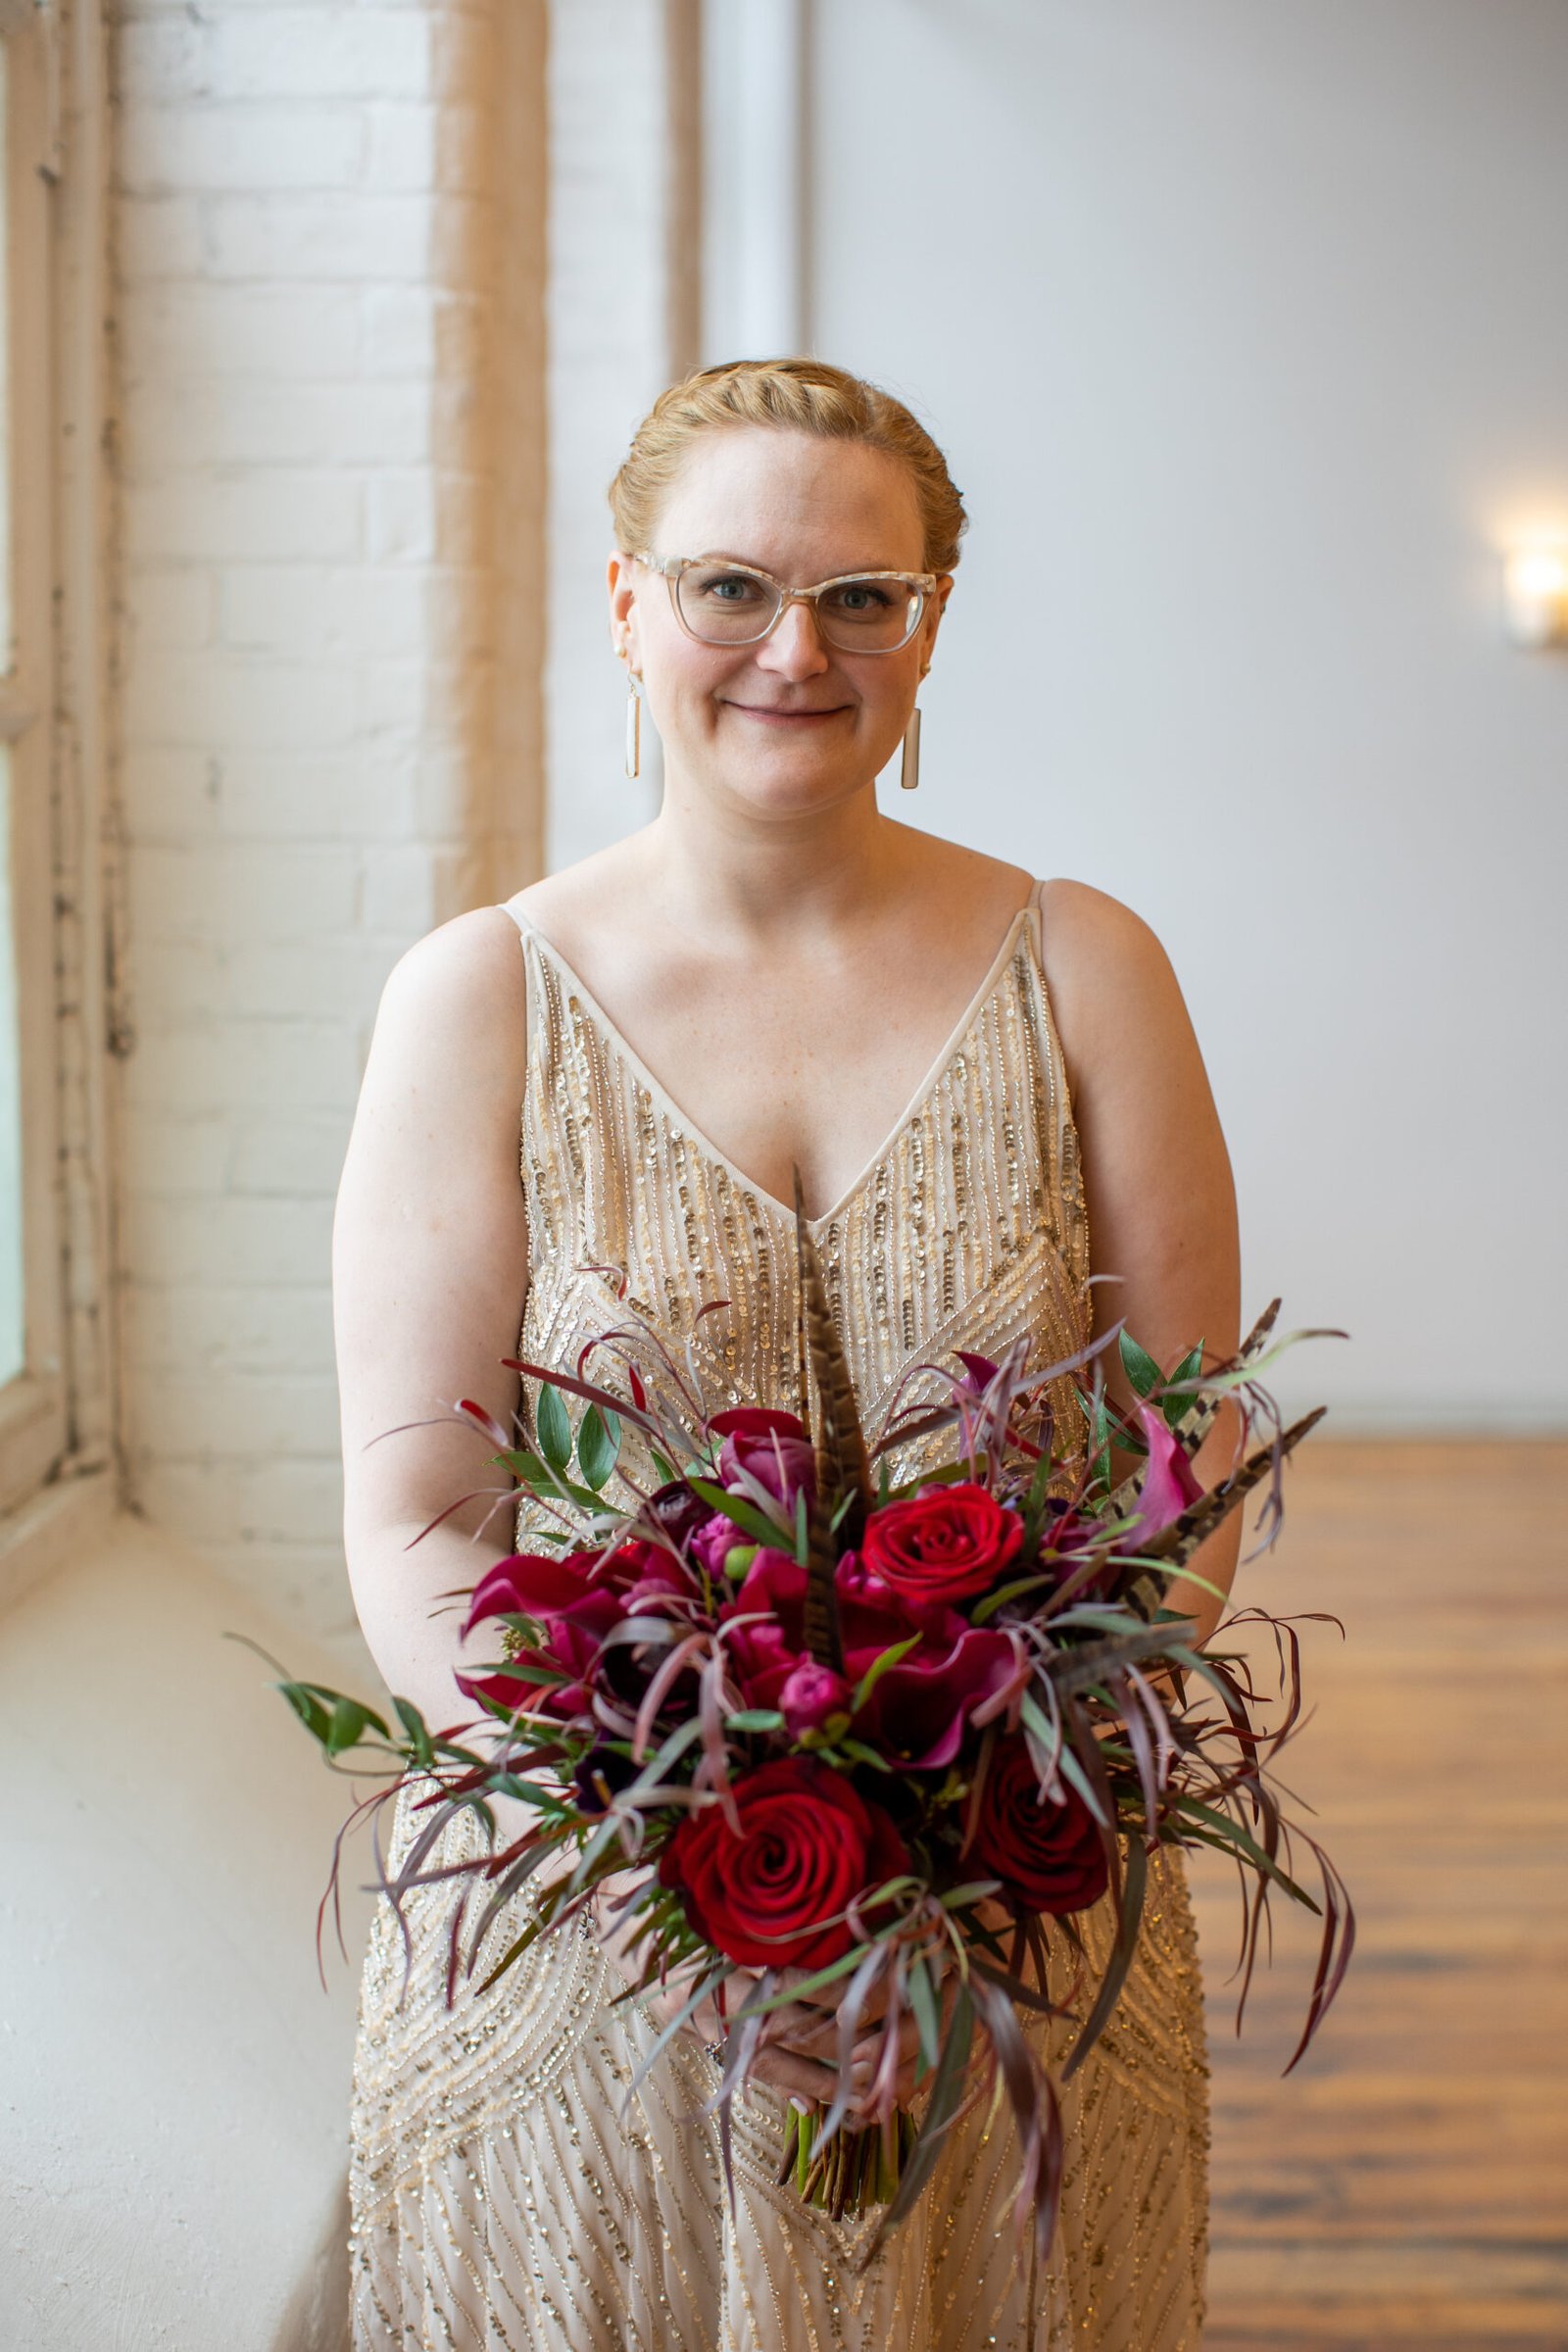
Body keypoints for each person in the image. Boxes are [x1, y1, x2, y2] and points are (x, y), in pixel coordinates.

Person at [336, 357, 1239, 2349]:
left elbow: (1184, 1465)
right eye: (730, 585)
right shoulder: (478, 997)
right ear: (626, 607)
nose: (792, 648)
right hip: (590, 1945)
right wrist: (677, 1875)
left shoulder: (1087, 968)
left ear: (926, 628)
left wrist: (986, 1849)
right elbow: (418, 1503)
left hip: (1018, 1918)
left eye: (861, 597)